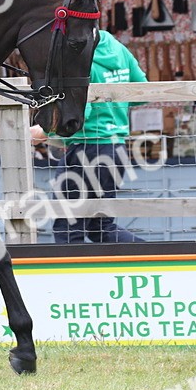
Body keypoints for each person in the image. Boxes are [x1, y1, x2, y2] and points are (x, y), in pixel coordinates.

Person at [51, 31, 149, 243]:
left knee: (68, 229)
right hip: (116, 149)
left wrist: (45, 131)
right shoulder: (117, 46)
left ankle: (75, 276)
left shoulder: (78, 55)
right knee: (101, 228)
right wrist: (115, 109)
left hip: (86, 149)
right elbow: (142, 90)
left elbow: (78, 116)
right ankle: (148, 256)